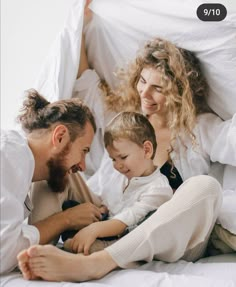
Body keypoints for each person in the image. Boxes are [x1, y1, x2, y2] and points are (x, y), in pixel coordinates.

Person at [17, 4, 236, 282]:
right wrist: (80, 22)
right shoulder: (122, 119)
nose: (145, 93)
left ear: (178, 92)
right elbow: (85, 80)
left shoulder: (197, 128)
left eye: (158, 88)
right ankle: (39, 251)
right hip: (109, 220)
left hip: (166, 237)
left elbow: (232, 140)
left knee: (205, 188)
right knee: (53, 165)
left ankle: (97, 262)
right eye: (142, 82)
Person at [0, 88, 107, 275]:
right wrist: (66, 219)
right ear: (60, 136)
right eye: (84, 151)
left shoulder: (18, 157)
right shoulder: (10, 157)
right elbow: (3, 253)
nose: (82, 166)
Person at [63, 111, 173, 254]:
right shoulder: (122, 176)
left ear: (147, 150)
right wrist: (103, 209)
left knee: (128, 234)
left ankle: (92, 245)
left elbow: (128, 219)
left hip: (125, 235)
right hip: (108, 222)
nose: (118, 165)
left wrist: (94, 230)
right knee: (70, 206)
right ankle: (80, 239)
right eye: (113, 159)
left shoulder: (158, 189)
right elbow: (110, 200)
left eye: (123, 157)